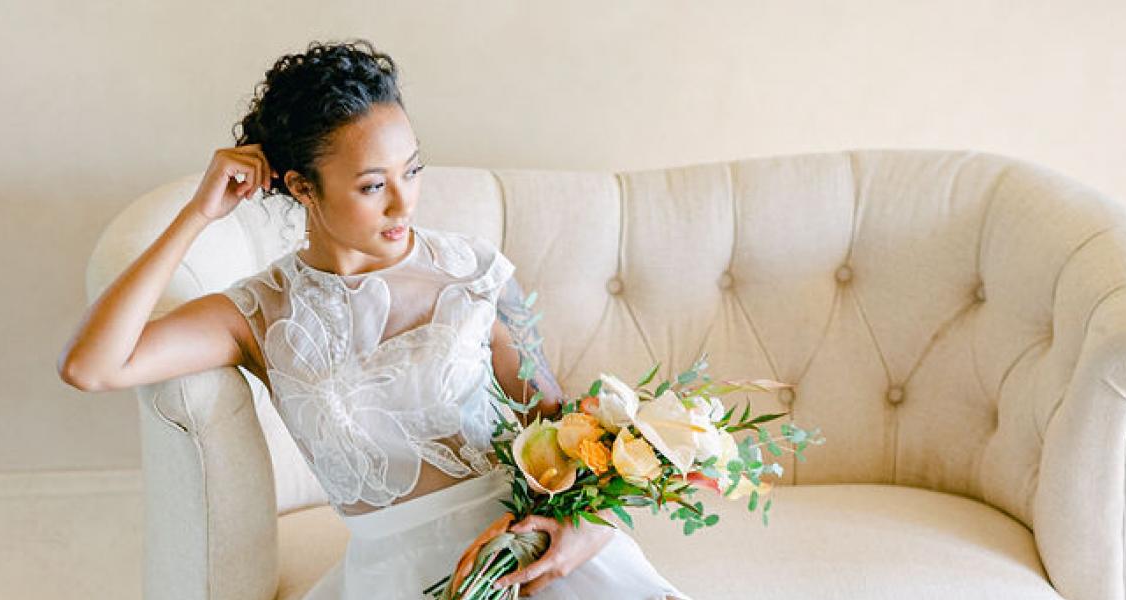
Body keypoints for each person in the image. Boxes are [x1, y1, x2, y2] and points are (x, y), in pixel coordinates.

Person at [58, 38, 689, 600]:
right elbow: (92, 366)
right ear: (303, 188)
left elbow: (561, 422)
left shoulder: (476, 272)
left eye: (411, 169)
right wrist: (198, 215)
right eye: (371, 185)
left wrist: (588, 530)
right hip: (398, 576)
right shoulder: (258, 312)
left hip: (533, 556)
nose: (404, 200)